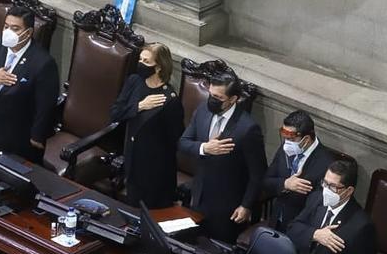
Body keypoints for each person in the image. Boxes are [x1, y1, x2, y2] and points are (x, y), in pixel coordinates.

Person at [178, 71, 267, 243]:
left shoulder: (248, 128)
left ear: (233, 99)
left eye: (218, 97)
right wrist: (205, 147)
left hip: (227, 205)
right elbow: (183, 142)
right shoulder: (203, 110)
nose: (212, 99)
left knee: (217, 249)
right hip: (199, 195)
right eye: (211, 94)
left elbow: (258, 173)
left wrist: (246, 205)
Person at [0, 5, 58, 164]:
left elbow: (46, 104)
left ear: (28, 33)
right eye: (6, 26)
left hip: (19, 136)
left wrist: (37, 136)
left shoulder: (43, 62)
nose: (8, 32)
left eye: (15, 28)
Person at [109, 43, 184, 209]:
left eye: (147, 61)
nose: (141, 64)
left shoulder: (169, 99)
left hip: (153, 172)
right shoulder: (134, 81)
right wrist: (139, 106)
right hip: (132, 161)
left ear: (158, 67)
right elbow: (115, 113)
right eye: (140, 59)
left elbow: (174, 141)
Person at [263, 110, 337, 231]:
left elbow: (320, 206)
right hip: (276, 221)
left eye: (291, 139)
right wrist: (285, 184)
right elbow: (266, 181)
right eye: (285, 138)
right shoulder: (285, 149)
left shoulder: (326, 163)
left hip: (300, 228)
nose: (286, 143)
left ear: (306, 139)